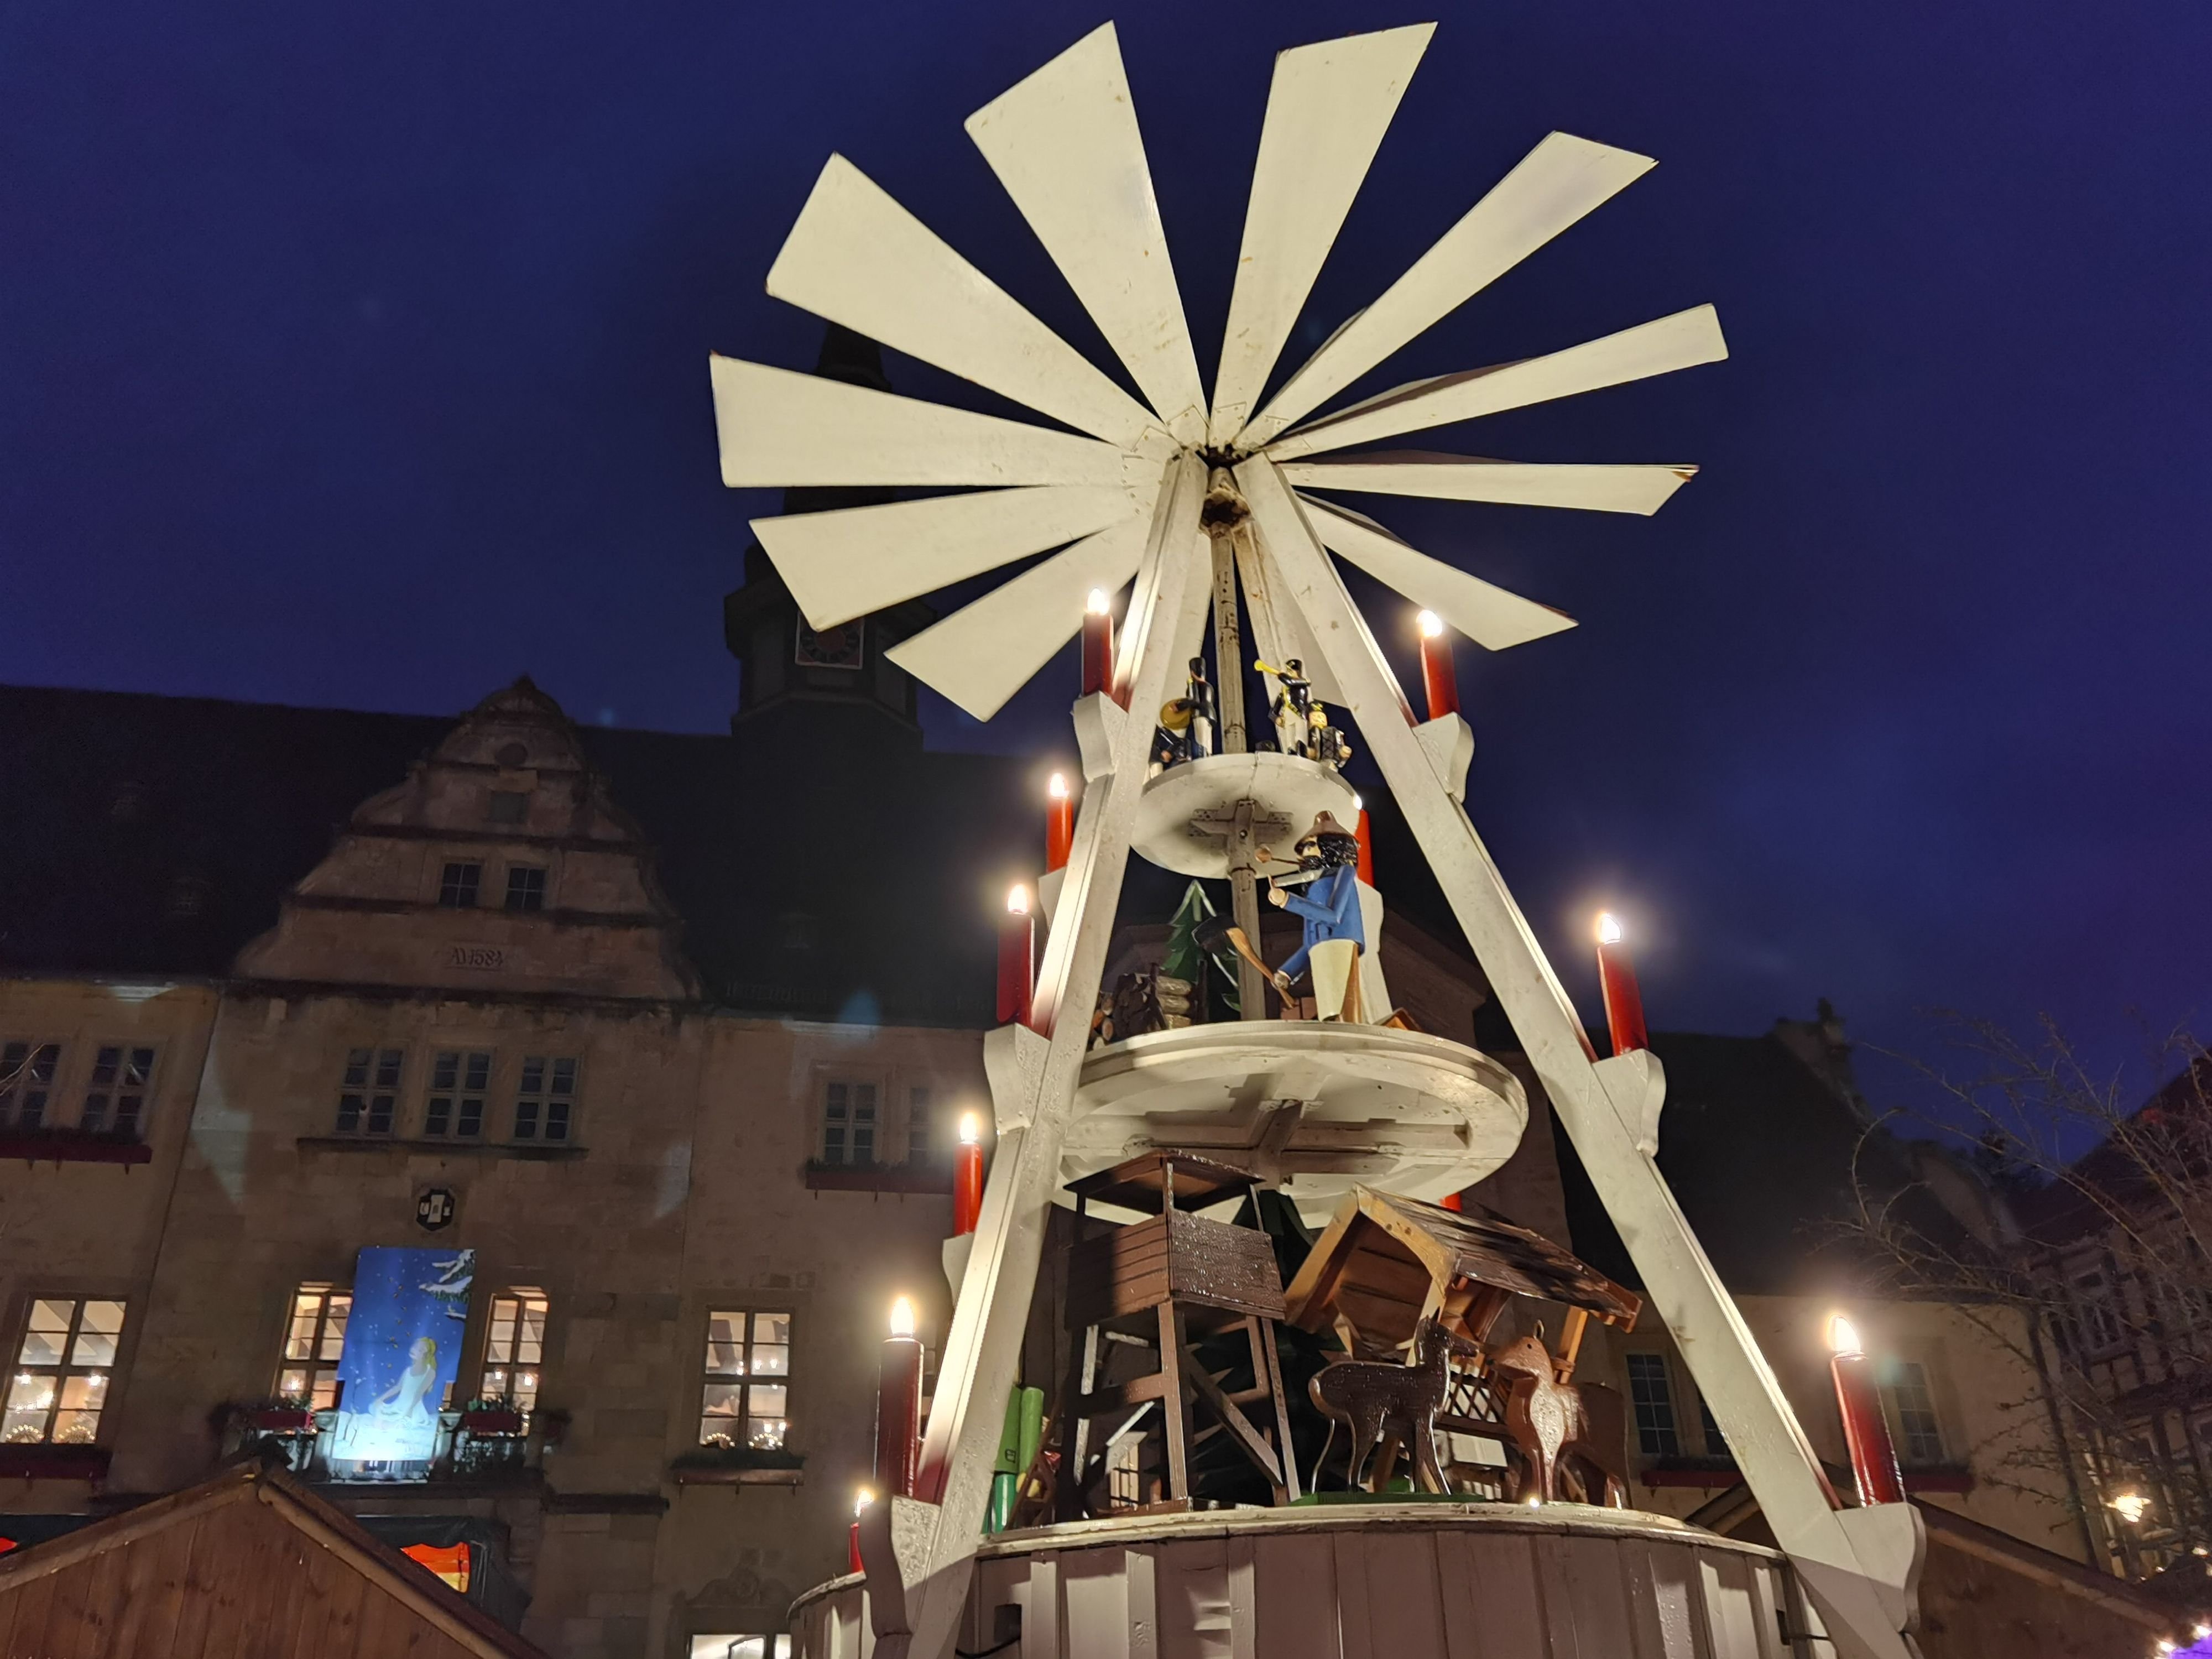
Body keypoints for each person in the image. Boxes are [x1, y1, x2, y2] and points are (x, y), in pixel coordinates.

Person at [1265, 812, 1365, 1021]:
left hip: (1341, 944)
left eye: (1310, 847)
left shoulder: (1344, 873)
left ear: (1332, 847)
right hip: (1324, 950)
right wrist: (1287, 972)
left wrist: (1287, 901)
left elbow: (1332, 917)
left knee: (1342, 1007)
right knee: (1329, 1008)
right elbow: (1312, 943)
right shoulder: (1313, 887)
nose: (1303, 856)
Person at [373, 1335, 440, 1425]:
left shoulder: (430, 1372)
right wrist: (381, 1398)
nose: (414, 1350)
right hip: (399, 1406)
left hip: (413, 1408)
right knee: (378, 1414)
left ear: (426, 1355)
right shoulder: (408, 1370)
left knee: (395, 1424)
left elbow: (419, 1393)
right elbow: (398, 1387)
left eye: (420, 1350)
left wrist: (409, 1411)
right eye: (415, 1347)